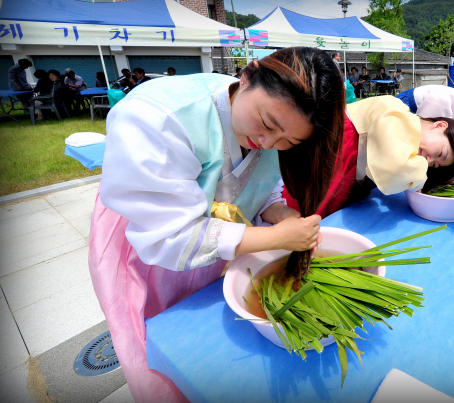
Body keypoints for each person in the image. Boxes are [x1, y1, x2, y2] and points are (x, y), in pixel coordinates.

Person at [88, 47, 345, 403]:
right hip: (150, 242)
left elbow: (260, 183)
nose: (268, 144)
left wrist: (279, 212)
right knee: (157, 341)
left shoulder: (265, 116)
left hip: (218, 237)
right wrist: (274, 237)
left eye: (289, 142)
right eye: (268, 125)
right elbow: (169, 236)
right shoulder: (158, 117)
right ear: (248, 75)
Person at [282, 95, 454, 218]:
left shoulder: (408, 141)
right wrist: (420, 182)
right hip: (332, 154)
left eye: (435, 165)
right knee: (303, 208)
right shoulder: (396, 113)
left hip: (344, 164)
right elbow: (394, 170)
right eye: (440, 154)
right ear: (440, 125)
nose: (428, 161)